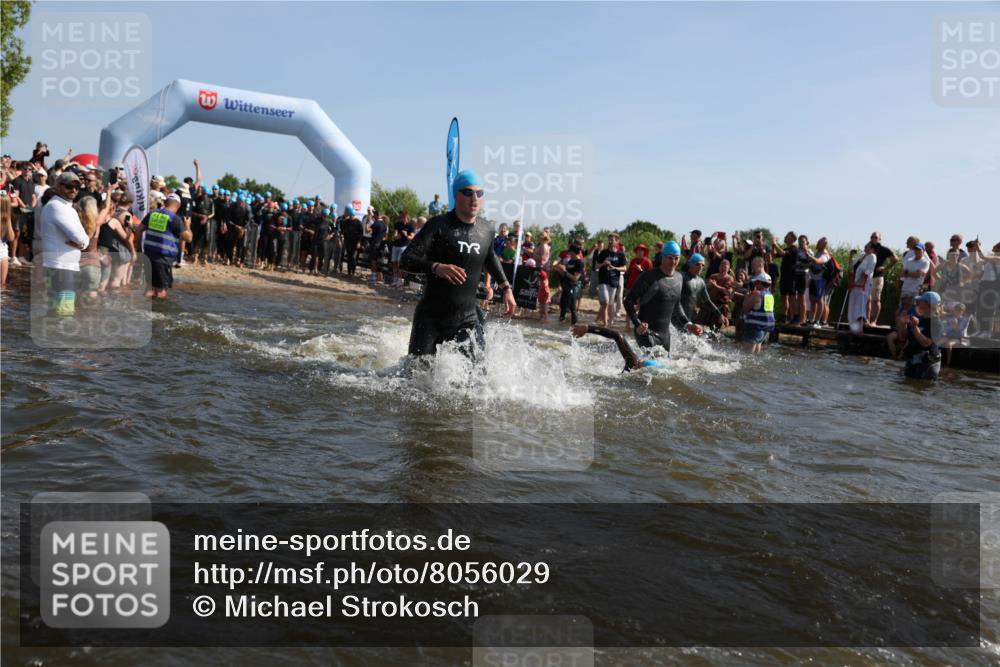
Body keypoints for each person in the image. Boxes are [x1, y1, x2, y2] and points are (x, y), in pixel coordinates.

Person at [400, 169, 515, 357]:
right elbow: (406, 259)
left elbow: (489, 256)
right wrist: (436, 267)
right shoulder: (438, 225)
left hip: (467, 318)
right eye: (468, 192)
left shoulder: (486, 229)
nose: (474, 198)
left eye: (479, 193)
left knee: (477, 378)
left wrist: (506, 288)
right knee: (414, 378)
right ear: (456, 195)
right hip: (431, 318)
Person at [623, 240, 703, 352]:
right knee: (652, 368)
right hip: (645, 332)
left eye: (676, 258)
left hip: (665, 336)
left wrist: (689, 325)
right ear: (662, 257)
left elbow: (677, 306)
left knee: (665, 368)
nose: (673, 261)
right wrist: (637, 324)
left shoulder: (679, 278)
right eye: (670, 258)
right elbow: (628, 301)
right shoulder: (649, 277)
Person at [40, 171, 90, 315]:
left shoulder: (64, 206)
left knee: (57, 311)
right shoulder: (57, 206)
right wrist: (83, 243)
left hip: (62, 266)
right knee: (63, 313)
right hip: (61, 266)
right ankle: (57, 336)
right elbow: (80, 238)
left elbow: (81, 239)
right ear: (58, 186)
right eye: (69, 186)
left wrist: (83, 242)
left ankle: (51, 336)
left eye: (76, 187)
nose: (74, 190)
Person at [138, 193, 192, 299]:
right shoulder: (174, 219)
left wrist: (139, 248)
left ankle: (144, 311)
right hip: (163, 259)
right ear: (178, 206)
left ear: (166, 202)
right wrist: (188, 225)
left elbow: (139, 230)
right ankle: (158, 314)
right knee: (161, 292)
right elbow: (189, 238)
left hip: (148, 255)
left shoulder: (152, 214)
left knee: (149, 288)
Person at [570, 323, 665, 372]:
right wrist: (588, 328)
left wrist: (588, 328)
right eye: (641, 362)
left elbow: (617, 336)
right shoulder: (634, 365)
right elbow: (618, 336)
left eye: (641, 363)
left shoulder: (634, 366)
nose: (640, 362)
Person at [901, 291, 942, 380]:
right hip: (913, 361)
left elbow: (926, 343)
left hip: (927, 364)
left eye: (921, 301)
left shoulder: (936, 323)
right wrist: (903, 324)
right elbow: (903, 337)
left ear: (928, 304)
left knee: (922, 387)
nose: (918, 303)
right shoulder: (919, 319)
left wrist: (915, 327)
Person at [681, 253, 729, 328]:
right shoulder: (681, 277)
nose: (700, 267)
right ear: (691, 264)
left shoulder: (701, 282)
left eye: (703, 265)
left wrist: (719, 314)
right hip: (678, 316)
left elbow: (707, 301)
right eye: (698, 264)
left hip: (690, 317)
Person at [595, 233, 626, 326]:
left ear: (617, 241)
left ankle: (605, 322)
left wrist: (615, 268)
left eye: (612, 239)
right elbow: (596, 265)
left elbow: (624, 268)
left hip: (614, 280)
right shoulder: (603, 252)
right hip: (603, 279)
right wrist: (603, 264)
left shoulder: (620, 254)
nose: (610, 241)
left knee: (611, 304)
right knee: (605, 302)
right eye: (609, 239)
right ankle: (605, 324)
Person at [868, 231, 898, 325]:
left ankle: (874, 321)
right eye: (872, 237)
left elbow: (895, 259)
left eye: (876, 237)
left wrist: (885, 268)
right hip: (868, 277)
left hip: (878, 277)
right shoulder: (868, 248)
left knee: (876, 299)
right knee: (867, 300)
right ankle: (867, 320)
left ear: (880, 239)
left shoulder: (883, 249)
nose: (873, 239)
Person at [742, 273, 776, 353]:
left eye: (756, 282)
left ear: (760, 283)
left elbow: (745, 308)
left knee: (748, 353)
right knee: (757, 350)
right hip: (765, 327)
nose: (755, 284)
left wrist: (747, 295)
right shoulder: (770, 295)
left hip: (755, 327)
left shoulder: (757, 294)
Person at [847, 244, 875, 333]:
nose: (864, 248)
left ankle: (860, 330)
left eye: (867, 247)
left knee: (860, 307)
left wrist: (860, 283)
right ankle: (853, 328)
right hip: (855, 283)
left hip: (864, 285)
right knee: (853, 305)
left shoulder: (872, 257)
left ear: (872, 249)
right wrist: (851, 256)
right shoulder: (862, 256)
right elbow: (851, 265)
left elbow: (868, 271)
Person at [805, 237, 832, 326]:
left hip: (820, 280)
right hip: (813, 278)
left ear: (823, 244)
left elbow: (819, 261)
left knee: (820, 300)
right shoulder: (818, 252)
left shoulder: (825, 254)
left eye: (819, 242)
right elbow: (813, 263)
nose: (817, 243)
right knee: (812, 299)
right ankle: (811, 320)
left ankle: (817, 321)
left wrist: (810, 256)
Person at [555, 245, 584, 324]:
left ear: (573, 252)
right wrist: (559, 269)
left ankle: (574, 326)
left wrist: (564, 271)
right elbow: (565, 274)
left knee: (572, 307)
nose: (569, 253)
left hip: (575, 286)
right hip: (567, 285)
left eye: (570, 251)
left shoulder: (579, 262)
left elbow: (575, 278)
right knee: (563, 305)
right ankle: (560, 323)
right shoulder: (571, 261)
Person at [777, 231, 797, 323]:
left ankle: (793, 317)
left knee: (792, 298)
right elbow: (775, 254)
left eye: (787, 236)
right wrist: (774, 245)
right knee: (784, 297)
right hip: (784, 277)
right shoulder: (786, 248)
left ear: (792, 238)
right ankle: (784, 316)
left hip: (791, 277)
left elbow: (782, 253)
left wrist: (774, 243)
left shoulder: (794, 249)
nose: (784, 237)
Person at [389, 211, 413, 288]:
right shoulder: (397, 224)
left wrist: (406, 235)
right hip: (396, 245)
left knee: (400, 263)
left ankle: (399, 280)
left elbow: (412, 237)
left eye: (403, 217)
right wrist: (397, 236)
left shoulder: (410, 226)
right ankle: (395, 279)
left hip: (404, 246)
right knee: (394, 263)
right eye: (401, 217)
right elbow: (394, 235)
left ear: (407, 217)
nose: (401, 218)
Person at [340, 207, 363, 276]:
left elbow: (361, 234)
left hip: (355, 243)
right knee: (349, 257)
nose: (350, 217)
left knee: (353, 257)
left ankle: (353, 272)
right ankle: (349, 272)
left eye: (351, 215)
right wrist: (342, 235)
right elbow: (343, 230)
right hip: (348, 242)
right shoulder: (346, 222)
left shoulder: (358, 222)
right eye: (349, 215)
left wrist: (359, 242)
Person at [0, 194, 15, 288]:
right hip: (3, 255)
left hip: (2, 254)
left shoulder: (6, 219)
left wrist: (8, 219)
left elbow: (11, 238)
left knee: (2, 285)